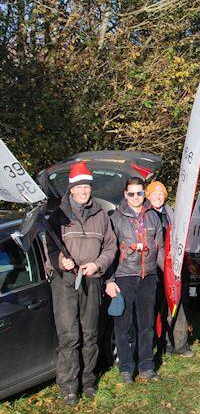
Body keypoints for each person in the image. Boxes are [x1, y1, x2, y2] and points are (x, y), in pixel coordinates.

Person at [44, 161, 117, 405]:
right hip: (65, 282)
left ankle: (88, 382)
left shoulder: (101, 215)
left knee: (90, 334)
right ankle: (68, 387)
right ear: (71, 189)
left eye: (87, 186)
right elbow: (50, 248)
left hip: (91, 280)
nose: (84, 191)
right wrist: (60, 261)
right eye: (79, 187)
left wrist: (98, 264)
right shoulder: (58, 217)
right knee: (69, 336)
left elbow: (110, 246)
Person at [106, 177, 164, 384]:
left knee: (146, 323)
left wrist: (166, 274)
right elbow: (109, 251)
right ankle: (126, 367)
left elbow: (160, 248)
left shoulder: (153, 217)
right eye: (131, 193)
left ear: (144, 194)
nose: (136, 197)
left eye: (139, 193)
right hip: (124, 276)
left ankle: (147, 365)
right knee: (123, 324)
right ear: (125, 194)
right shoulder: (115, 218)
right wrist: (109, 280)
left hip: (148, 276)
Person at [146, 181, 193, 358]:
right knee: (158, 308)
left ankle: (181, 343)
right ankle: (163, 343)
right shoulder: (145, 214)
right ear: (148, 197)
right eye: (154, 194)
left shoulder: (171, 213)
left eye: (160, 194)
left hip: (173, 267)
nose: (158, 197)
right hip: (154, 268)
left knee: (177, 304)